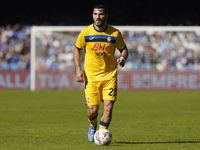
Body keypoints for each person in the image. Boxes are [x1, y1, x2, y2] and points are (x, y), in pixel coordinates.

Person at [73, 4, 128, 142]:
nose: (98, 17)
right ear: (92, 15)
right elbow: (77, 49)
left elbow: (124, 49)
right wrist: (78, 69)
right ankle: (92, 125)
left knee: (109, 106)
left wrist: (123, 58)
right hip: (91, 77)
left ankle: (102, 135)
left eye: (101, 14)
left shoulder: (115, 33)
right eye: (95, 14)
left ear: (106, 16)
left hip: (110, 76)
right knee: (93, 110)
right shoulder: (85, 33)